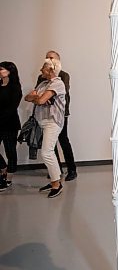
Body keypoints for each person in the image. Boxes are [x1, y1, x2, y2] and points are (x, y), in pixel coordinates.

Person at [25, 58, 66, 198]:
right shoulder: (43, 83)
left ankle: (56, 184)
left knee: (47, 153)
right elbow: (27, 98)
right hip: (42, 122)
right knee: (49, 152)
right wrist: (36, 97)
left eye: (43, 67)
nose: (40, 70)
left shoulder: (58, 84)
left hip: (53, 122)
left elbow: (40, 100)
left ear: (51, 70)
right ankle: (56, 180)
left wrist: (37, 97)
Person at [37, 50, 77, 181]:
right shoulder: (41, 77)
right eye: (47, 57)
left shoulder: (64, 75)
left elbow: (61, 92)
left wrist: (44, 97)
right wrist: (41, 97)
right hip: (46, 115)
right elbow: (36, 93)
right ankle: (56, 170)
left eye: (51, 58)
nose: (48, 60)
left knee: (64, 141)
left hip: (61, 114)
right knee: (50, 145)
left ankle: (72, 170)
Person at [0, 62, 22, 191]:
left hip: (10, 124)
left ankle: (8, 179)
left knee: (10, 152)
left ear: (9, 71)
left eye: (1, 69)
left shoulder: (15, 87)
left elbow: (12, 108)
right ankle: (3, 169)